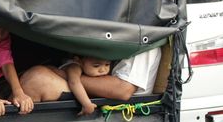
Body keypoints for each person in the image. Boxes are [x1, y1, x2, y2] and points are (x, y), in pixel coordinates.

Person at [20, 47, 162, 104]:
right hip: (95, 91)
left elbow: (123, 90)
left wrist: (65, 74)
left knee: (37, 79)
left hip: (119, 105)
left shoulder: (145, 41)